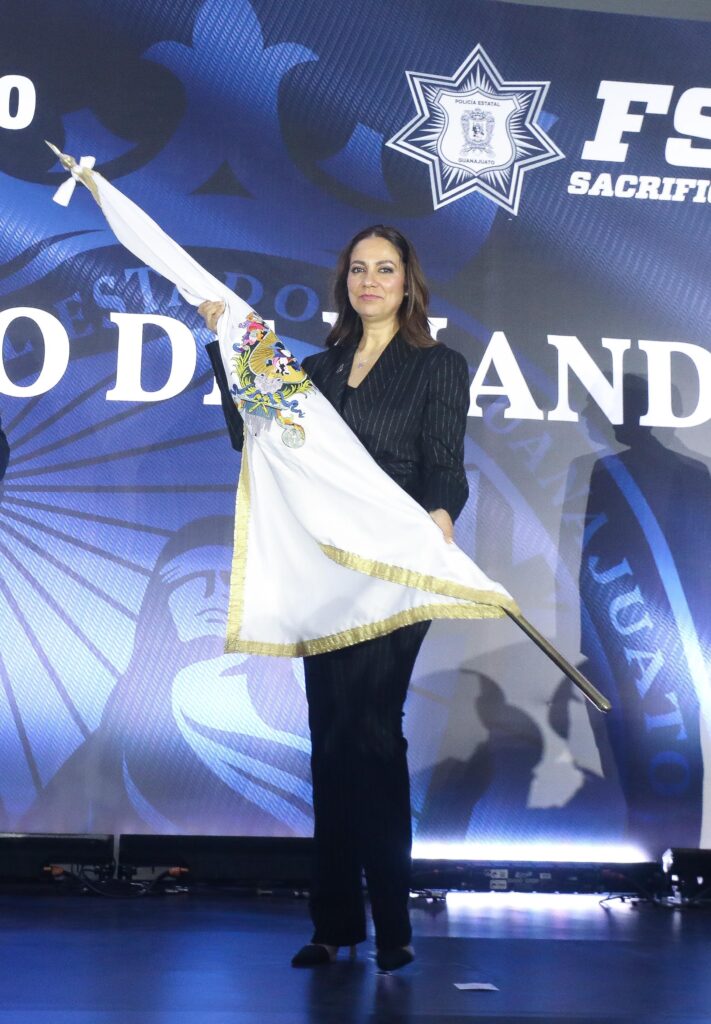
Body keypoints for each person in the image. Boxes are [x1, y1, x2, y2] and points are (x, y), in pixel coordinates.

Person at [200, 225, 470, 971]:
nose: (369, 281)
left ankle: (393, 925)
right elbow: (254, 434)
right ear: (344, 282)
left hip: (393, 568)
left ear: (407, 282)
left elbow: (446, 465)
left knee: (371, 734)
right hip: (325, 572)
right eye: (358, 269)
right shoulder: (314, 371)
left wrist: (440, 516)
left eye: (384, 269)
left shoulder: (437, 365)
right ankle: (334, 924)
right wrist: (226, 346)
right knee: (332, 739)